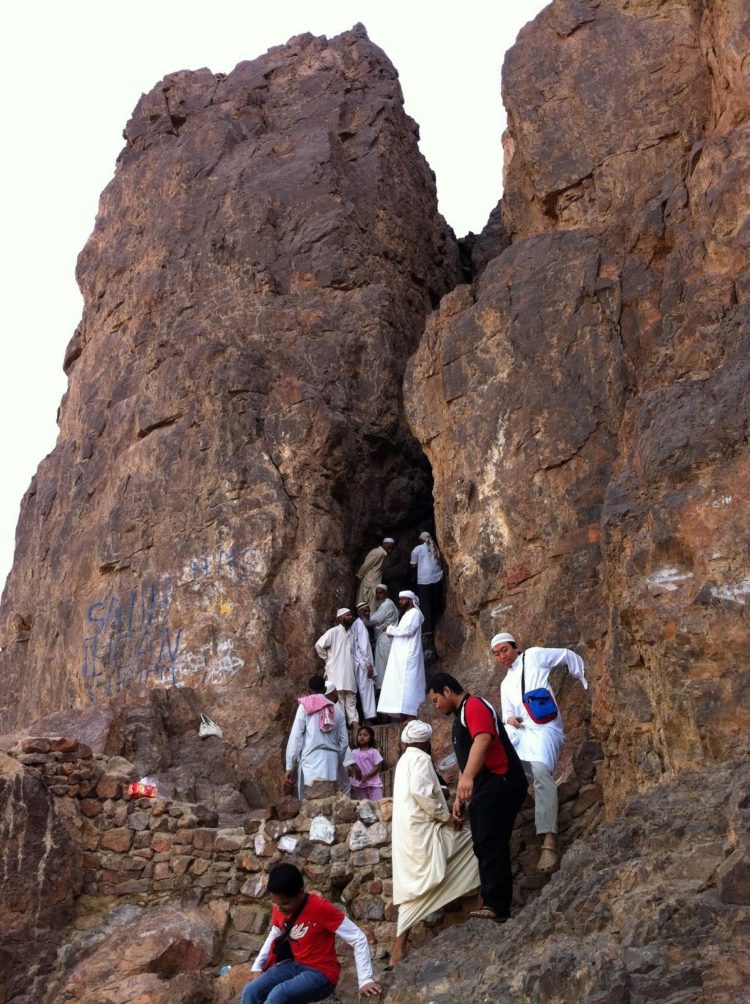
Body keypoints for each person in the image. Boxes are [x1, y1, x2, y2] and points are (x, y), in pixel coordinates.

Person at [427, 672, 527, 923]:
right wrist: (460, 795)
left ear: (447, 691)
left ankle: (497, 906)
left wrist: (467, 778)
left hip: (501, 781)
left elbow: (483, 740)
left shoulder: (474, 706)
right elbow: (466, 756)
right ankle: (492, 902)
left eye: (436, 699)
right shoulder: (460, 717)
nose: (436, 706)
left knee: (490, 841)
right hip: (486, 786)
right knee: (483, 841)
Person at [493, 631, 588, 871]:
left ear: (516, 647)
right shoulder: (505, 684)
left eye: (504, 650)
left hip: (545, 728)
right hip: (522, 731)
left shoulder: (534, 656)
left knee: (541, 772)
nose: (502, 656)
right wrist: (511, 719)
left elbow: (564, 655)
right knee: (503, 769)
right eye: (497, 654)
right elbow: (506, 714)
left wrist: (582, 676)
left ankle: (549, 840)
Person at [390, 720, 479, 964]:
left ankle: (400, 948)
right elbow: (423, 794)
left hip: (410, 835)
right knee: (476, 842)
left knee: (413, 890)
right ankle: (481, 904)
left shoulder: (404, 761)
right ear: (427, 742)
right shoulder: (420, 759)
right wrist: (447, 817)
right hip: (425, 833)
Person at [240, 862, 381, 1002]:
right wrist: (257, 966)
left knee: (278, 995)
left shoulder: (320, 908)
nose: (280, 909)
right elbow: (275, 933)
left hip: (321, 973)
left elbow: (358, 938)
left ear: (300, 892)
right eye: (276, 903)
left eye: (285, 903)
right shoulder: (279, 907)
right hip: (293, 965)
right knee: (251, 991)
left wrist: (365, 979)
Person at [283, 676, 356, 797]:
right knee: (329, 801)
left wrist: (289, 766)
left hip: (310, 761)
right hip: (331, 761)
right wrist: (338, 761)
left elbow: (296, 737)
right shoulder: (337, 711)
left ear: (308, 689)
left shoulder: (304, 707)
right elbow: (343, 743)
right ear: (325, 688)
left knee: (311, 803)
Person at [377, 591, 425, 722]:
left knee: (409, 684)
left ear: (410, 600)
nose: (400, 602)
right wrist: (390, 630)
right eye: (399, 599)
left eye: (403, 599)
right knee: (399, 684)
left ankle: (411, 713)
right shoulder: (406, 614)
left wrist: (390, 629)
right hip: (401, 655)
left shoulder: (415, 613)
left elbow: (409, 630)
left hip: (409, 655)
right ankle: (402, 713)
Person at [314, 609, 358, 727]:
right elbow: (319, 645)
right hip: (336, 672)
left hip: (349, 672)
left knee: (351, 700)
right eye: (347, 615)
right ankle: (342, 728)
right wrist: (327, 658)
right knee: (339, 701)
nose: (350, 617)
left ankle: (355, 726)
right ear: (340, 618)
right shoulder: (333, 632)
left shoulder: (351, 634)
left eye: (350, 615)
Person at [366, 585, 399, 692]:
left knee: (386, 665)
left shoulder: (386, 605)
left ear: (386, 593)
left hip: (386, 640)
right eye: (378, 593)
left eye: (382, 593)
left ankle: (389, 690)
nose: (380, 596)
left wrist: (362, 616)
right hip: (385, 639)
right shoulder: (388, 604)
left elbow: (372, 620)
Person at [409, 531, 444, 634]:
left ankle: (427, 630)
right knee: (436, 602)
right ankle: (438, 625)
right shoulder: (436, 548)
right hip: (437, 577)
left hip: (424, 580)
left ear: (421, 539)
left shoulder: (417, 549)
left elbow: (413, 565)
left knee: (425, 605)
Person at [351, 603, 377, 723]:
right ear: (359, 612)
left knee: (363, 691)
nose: (367, 614)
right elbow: (364, 647)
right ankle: (369, 718)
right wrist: (369, 666)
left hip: (358, 663)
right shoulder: (360, 625)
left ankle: (367, 717)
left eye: (368, 611)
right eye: (365, 611)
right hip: (363, 664)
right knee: (367, 691)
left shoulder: (356, 624)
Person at [356, 537, 395, 612]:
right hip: (370, 583)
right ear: (384, 544)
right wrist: (358, 576)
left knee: (370, 607)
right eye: (389, 547)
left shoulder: (382, 554)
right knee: (369, 607)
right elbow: (366, 565)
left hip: (373, 583)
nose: (390, 550)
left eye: (392, 548)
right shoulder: (378, 553)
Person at [350, 725, 384, 801]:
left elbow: (377, 767)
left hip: (373, 784)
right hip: (360, 784)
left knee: (377, 804)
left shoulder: (374, 752)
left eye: (365, 735)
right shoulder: (354, 752)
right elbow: (351, 765)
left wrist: (366, 776)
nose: (362, 736)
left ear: (371, 738)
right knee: (363, 806)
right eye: (360, 735)